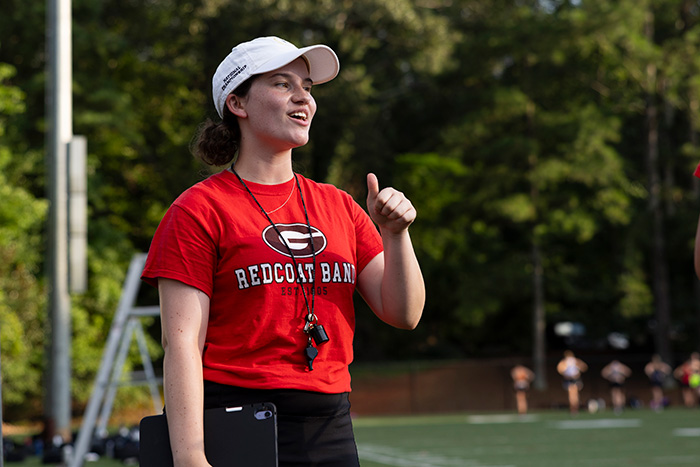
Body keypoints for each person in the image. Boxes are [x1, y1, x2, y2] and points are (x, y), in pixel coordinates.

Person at [141, 36, 426, 467]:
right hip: (235, 423)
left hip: (329, 426)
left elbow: (404, 313)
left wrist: (395, 234)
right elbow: (180, 342)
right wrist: (190, 456)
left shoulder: (340, 206)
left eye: (308, 87)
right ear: (238, 104)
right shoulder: (198, 209)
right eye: (282, 84)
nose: (302, 98)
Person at [556, 350, 587, 415]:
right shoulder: (575, 361)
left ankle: (574, 408)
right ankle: (574, 408)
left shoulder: (566, 361)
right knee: (574, 395)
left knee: (572, 395)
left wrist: (565, 373)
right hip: (574, 378)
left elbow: (559, 369)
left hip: (571, 379)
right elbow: (584, 367)